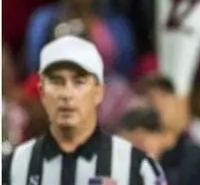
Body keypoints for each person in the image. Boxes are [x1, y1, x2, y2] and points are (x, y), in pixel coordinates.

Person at [2, 36, 164, 184]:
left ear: (99, 92)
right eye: (56, 81)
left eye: (79, 82)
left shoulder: (139, 169)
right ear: (42, 91)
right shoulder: (12, 167)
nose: (67, 94)